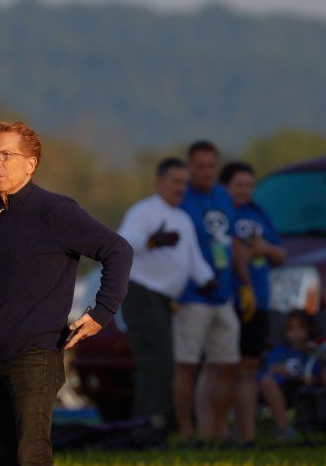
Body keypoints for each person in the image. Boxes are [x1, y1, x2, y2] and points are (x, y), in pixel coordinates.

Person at [0, 120, 133, 466]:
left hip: (36, 354)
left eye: (6, 156)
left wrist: (101, 313)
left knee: (32, 458)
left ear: (31, 163)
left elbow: (117, 250)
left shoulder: (56, 211)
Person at [117, 158, 215, 446]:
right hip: (143, 293)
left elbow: (193, 259)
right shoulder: (144, 211)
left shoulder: (182, 218)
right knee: (155, 364)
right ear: (159, 182)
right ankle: (147, 430)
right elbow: (122, 242)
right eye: (175, 181)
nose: (180, 187)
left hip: (163, 299)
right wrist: (152, 240)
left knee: (162, 364)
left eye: (184, 182)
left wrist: (209, 280)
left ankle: (154, 426)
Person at [174, 141, 251, 444]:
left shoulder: (222, 195)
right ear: (190, 167)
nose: (206, 171)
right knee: (187, 365)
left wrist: (244, 284)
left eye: (211, 166)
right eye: (200, 166)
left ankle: (218, 431)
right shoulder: (182, 198)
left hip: (224, 294)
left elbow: (232, 242)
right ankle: (187, 431)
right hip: (192, 295)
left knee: (227, 364)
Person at [221, 160, 286, 445]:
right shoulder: (221, 213)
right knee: (225, 367)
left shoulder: (259, 213)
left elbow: (280, 255)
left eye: (250, 185)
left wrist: (265, 249)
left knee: (249, 366)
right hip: (227, 300)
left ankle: (247, 433)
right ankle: (220, 431)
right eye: (240, 185)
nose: (246, 190)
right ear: (226, 186)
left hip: (258, 302)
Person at [259, 309, 320, 440]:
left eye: (301, 328)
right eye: (291, 329)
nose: (296, 333)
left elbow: (316, 376)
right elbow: (266, 372)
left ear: (308, 330)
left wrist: (298, 376)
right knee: (264, 381)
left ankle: (285, 429)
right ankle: (284, 428)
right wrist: (278, 369)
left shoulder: (312, 353)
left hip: (298, 387)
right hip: (275, 388)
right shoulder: (279, 352)